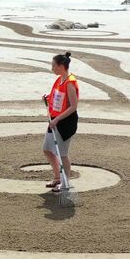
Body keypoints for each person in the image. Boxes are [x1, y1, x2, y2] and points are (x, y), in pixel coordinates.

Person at [42, 51, 79, 192]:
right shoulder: (59, 80)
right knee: (47, 149)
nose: (52, 68)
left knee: (62, 154)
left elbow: (73, 106)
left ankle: (65, 183)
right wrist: (49, 96)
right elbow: (58, 95)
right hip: (54, 120)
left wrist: (57, 119)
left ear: (61, 66)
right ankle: (57, 177)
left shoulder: (70, 82)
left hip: (64, 122)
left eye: (54, 66)